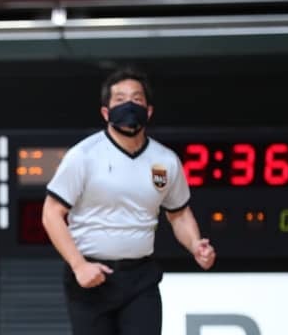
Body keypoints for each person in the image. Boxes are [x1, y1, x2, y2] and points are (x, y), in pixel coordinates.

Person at [41, 68, 217, 335]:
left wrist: (195, 245)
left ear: (149, 111)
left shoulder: (165, 160)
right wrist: (79, 265)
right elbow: (51, 213)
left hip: (140, 277)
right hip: (91, 275)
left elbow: (179, 213)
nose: (129, 105)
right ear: (105, 112)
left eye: (136, 99)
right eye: (120, 99)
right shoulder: (83, 156)